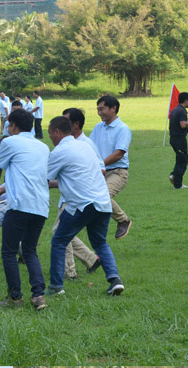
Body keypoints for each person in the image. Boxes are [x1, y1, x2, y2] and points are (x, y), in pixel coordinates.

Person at [46, 115, 124, 297]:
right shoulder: (86, 146)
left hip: (81, 205)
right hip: (103, 203)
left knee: (59, 241)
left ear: (57, 132)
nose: (50, 137)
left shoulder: (59, 152)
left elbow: (43, 178)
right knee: (100, 243)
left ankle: (56, 287)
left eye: (50, 133)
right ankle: (115, 280)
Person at [0, 108, 50, 311]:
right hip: (40, 206)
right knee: (30, 250)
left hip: (19, 205)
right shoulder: (43, 147)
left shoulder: (9, 142)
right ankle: (39, 295)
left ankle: (15, 297)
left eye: (8, 125)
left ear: (13, 125)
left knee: (8, 251)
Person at [58, 107, 104, 280]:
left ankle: (69, 272)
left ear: (76, 124)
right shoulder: (66, 144)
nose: (61, 125)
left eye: (66, 121)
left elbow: (101, 169)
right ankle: (91, 260)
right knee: (62, 232)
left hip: (79, 198)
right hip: (68, 196)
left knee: (60, 232)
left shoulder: (86, 144)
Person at [90, 94, 133, 238]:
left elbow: (118, 154)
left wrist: (99, 164)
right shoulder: (98, 127)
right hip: (99, 172)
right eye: (98, 109)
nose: (99, 112)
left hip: (117, 172)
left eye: (102, 109)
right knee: (91, 198)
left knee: (103, 196)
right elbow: (89, 147)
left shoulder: (122, 128)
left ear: (113, 108)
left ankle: (123, 220)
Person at [168, 91, 188, 189]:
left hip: (173, 138)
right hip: (179, 139)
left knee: (180, 159)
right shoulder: (182, 111)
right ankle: (177, 183)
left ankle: (174, 177)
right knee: (183, 160)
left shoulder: (175, 110)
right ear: (185, 101)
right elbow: (183, 125)